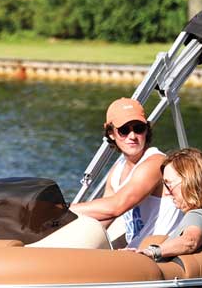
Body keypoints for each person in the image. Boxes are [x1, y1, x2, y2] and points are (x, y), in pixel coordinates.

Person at [69, 98, 181, 248]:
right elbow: (102, 217)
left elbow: (116, 206)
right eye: (124, 130)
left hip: (160, 254)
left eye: (139, 128)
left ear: (147, 130)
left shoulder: (156, 163)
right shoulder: (117, 169)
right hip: (137, 252)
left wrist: (62, 209)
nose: (132, 136)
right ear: (111, 134)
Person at [135, 148, 202, 261]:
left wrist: (151, 252)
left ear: (189, 181)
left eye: (168, 184)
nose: (166, 192)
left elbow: (189, 241)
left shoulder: (196, 215)